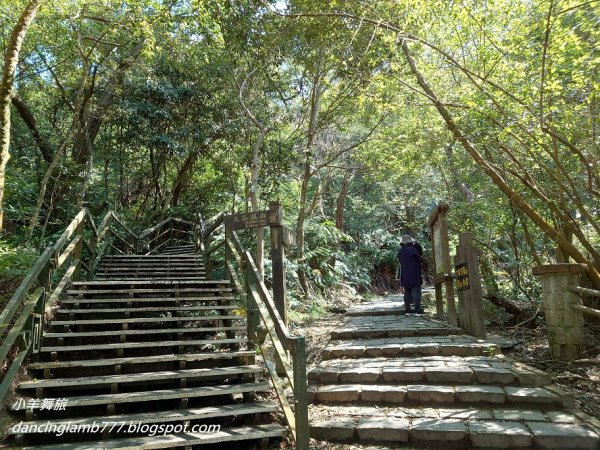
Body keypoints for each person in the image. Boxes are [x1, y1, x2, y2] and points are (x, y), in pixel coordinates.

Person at [397, 234, 424, 315]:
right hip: (414, 273)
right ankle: (417, 310)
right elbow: (420, 260)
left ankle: (407, 310)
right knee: (416, 291)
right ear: (410, 242)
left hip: (404, 274)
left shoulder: (401, 251)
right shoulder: (413, 250)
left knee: (407, 292)